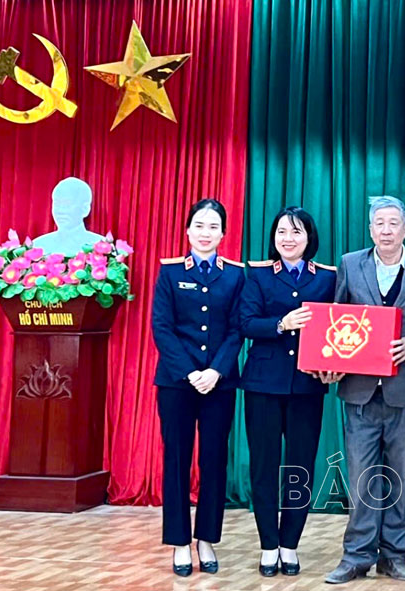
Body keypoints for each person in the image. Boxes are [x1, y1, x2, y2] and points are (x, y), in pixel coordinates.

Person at [325, 196, 405, 584]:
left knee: (400, 479)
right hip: (359, 391)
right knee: (361, 478)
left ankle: (394, 556)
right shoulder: (349, 263)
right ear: (370, 229)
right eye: (380, 223)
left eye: (394, 223)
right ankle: (356, 556)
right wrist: (331, 362)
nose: (386, 230)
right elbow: (335, 318)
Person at [241, 206, 338, 577]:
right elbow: (246, 323)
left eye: (297, 232)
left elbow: (338, 325)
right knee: (263, 466)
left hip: (307, 385)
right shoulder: (259, 275)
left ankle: (290, 544)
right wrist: (281, 323)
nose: (288, 238)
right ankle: (268, 545)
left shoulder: (327, 277)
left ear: (309, 237)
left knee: (300, 467)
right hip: (263, 384)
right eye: (282, 231)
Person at [151, 198, 245, 577]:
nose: (206, 233)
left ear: (223, 234)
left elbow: (237, 329)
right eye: (199, 225)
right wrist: (191, 372)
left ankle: (206, 539)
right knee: (176, 460)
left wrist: (216, 371)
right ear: (188, 230)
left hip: (219, 384)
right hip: (177, 382)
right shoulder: (170, 272)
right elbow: (162, 327)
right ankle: (179, 542)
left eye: (213, 227)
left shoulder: (235, 275)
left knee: (214, 460)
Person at [32, 177, 105, 256]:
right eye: (57, 204)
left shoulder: (102, 246)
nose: (60, 211)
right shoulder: (38, 246)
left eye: (66, 205)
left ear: (85, 209)